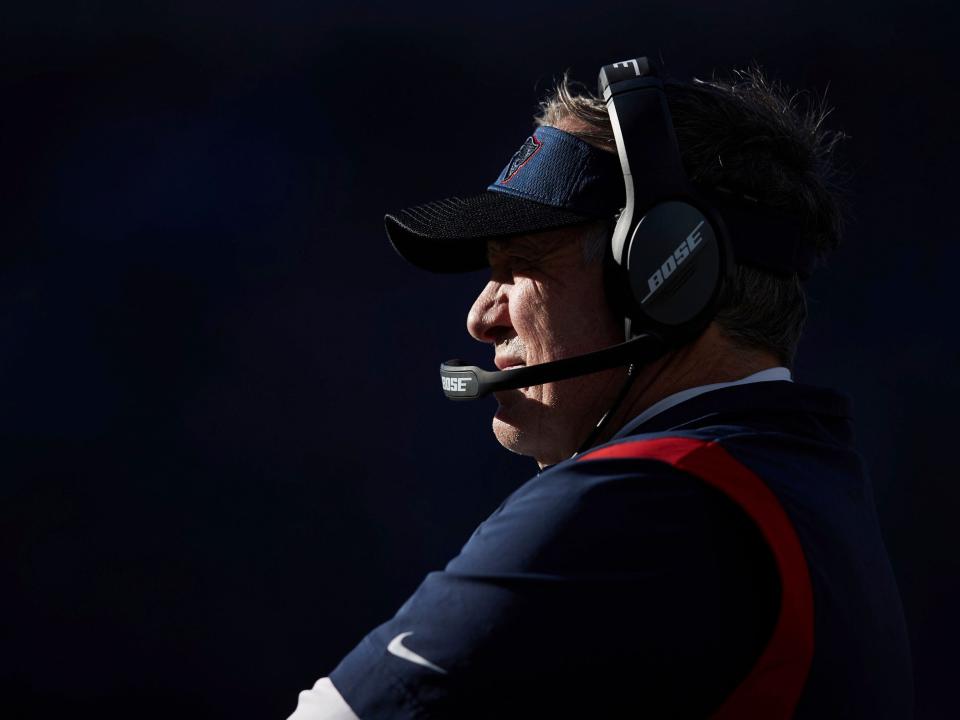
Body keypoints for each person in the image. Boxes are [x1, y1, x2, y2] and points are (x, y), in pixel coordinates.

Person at [288, 60, 913, 718]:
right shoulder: (808, 482)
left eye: (522, 266)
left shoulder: (642, 500)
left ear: (665, 272)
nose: (479, 316)